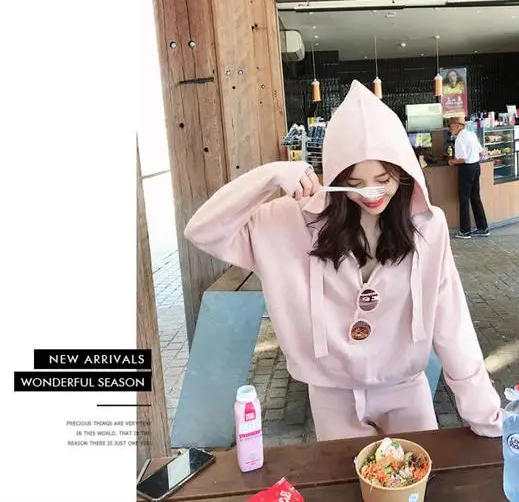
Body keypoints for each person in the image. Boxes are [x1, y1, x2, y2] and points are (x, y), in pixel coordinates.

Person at [185, 81, 501, 441]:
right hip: (331, 395)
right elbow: (202, 230)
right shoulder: (292, 222)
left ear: (403, 171)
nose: (371, 192)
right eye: (354, 182)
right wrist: (269, 176)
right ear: (335, 178)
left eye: (383, 178)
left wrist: (485, 415)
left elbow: (452, 322)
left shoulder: (428, 226)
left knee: (419, 475)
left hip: (405, 390)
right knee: (342, 476)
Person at [448, 116, 490, 239]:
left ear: (458, 126)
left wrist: (451, 161)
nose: (450, 129)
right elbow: (481, 152)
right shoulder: (471, 134)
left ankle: (465, 231)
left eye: (451, 127)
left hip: (466, 169)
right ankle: (483, 228)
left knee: (464, 199)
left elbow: (462, 159)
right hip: (476, 167)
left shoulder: (460, 138)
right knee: (475, 197)